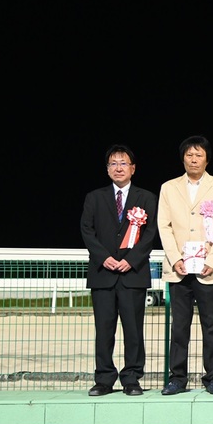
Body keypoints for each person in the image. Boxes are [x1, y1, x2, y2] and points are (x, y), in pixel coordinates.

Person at [157, 135, 213, 395]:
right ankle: (177, 378)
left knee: (210, 326)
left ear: (206, 159)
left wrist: (212, 260)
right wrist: (175, 258)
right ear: (183, 158)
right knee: (179, 327)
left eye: (198, 155)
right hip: (179, 269)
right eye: (189, 155)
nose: (193, 159)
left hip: (208, 269)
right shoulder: (169, 187)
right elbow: (164, 226)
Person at [81, 144, 158, 396]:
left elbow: (151, 233)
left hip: (132, 275)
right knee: (104, 330)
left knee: (133, 330)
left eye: (123, 163)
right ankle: (104, 379)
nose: (118, 168)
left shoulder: (146, 198)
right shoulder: (94, 197)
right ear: (107, 169)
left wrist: (132, 260)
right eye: (113, 163)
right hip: (103, 274)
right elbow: (87, 230)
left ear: (133, 168)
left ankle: (132, 378)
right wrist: (103, 258)